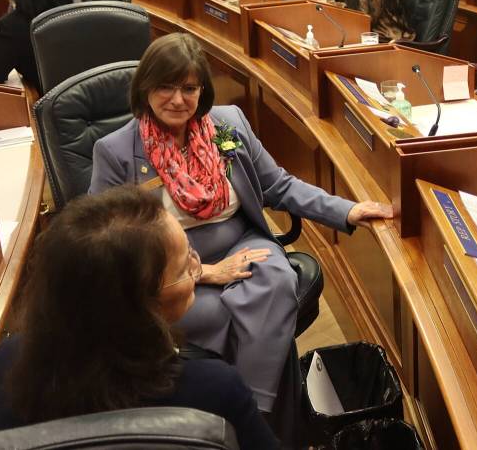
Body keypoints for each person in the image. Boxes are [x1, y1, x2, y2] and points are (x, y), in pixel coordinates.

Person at [89, 33, 392, 415]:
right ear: (144, 87)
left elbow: (277, 185)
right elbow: (106, 243)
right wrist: (202, 272)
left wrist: (346, 211)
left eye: (188, 87)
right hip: (168, 270)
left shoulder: (228, 124)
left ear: (202, 90)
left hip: (240, 241)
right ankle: (258, 419)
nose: (178, 99)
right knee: (256, 322)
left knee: (278, 282)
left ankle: (251, 410)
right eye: (165, 86)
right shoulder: (116, 151)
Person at [0, 186, 279, 450]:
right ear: (140, 306)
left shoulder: (4, 365)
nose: (196, 268)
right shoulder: (215, 389)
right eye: (183, 267)